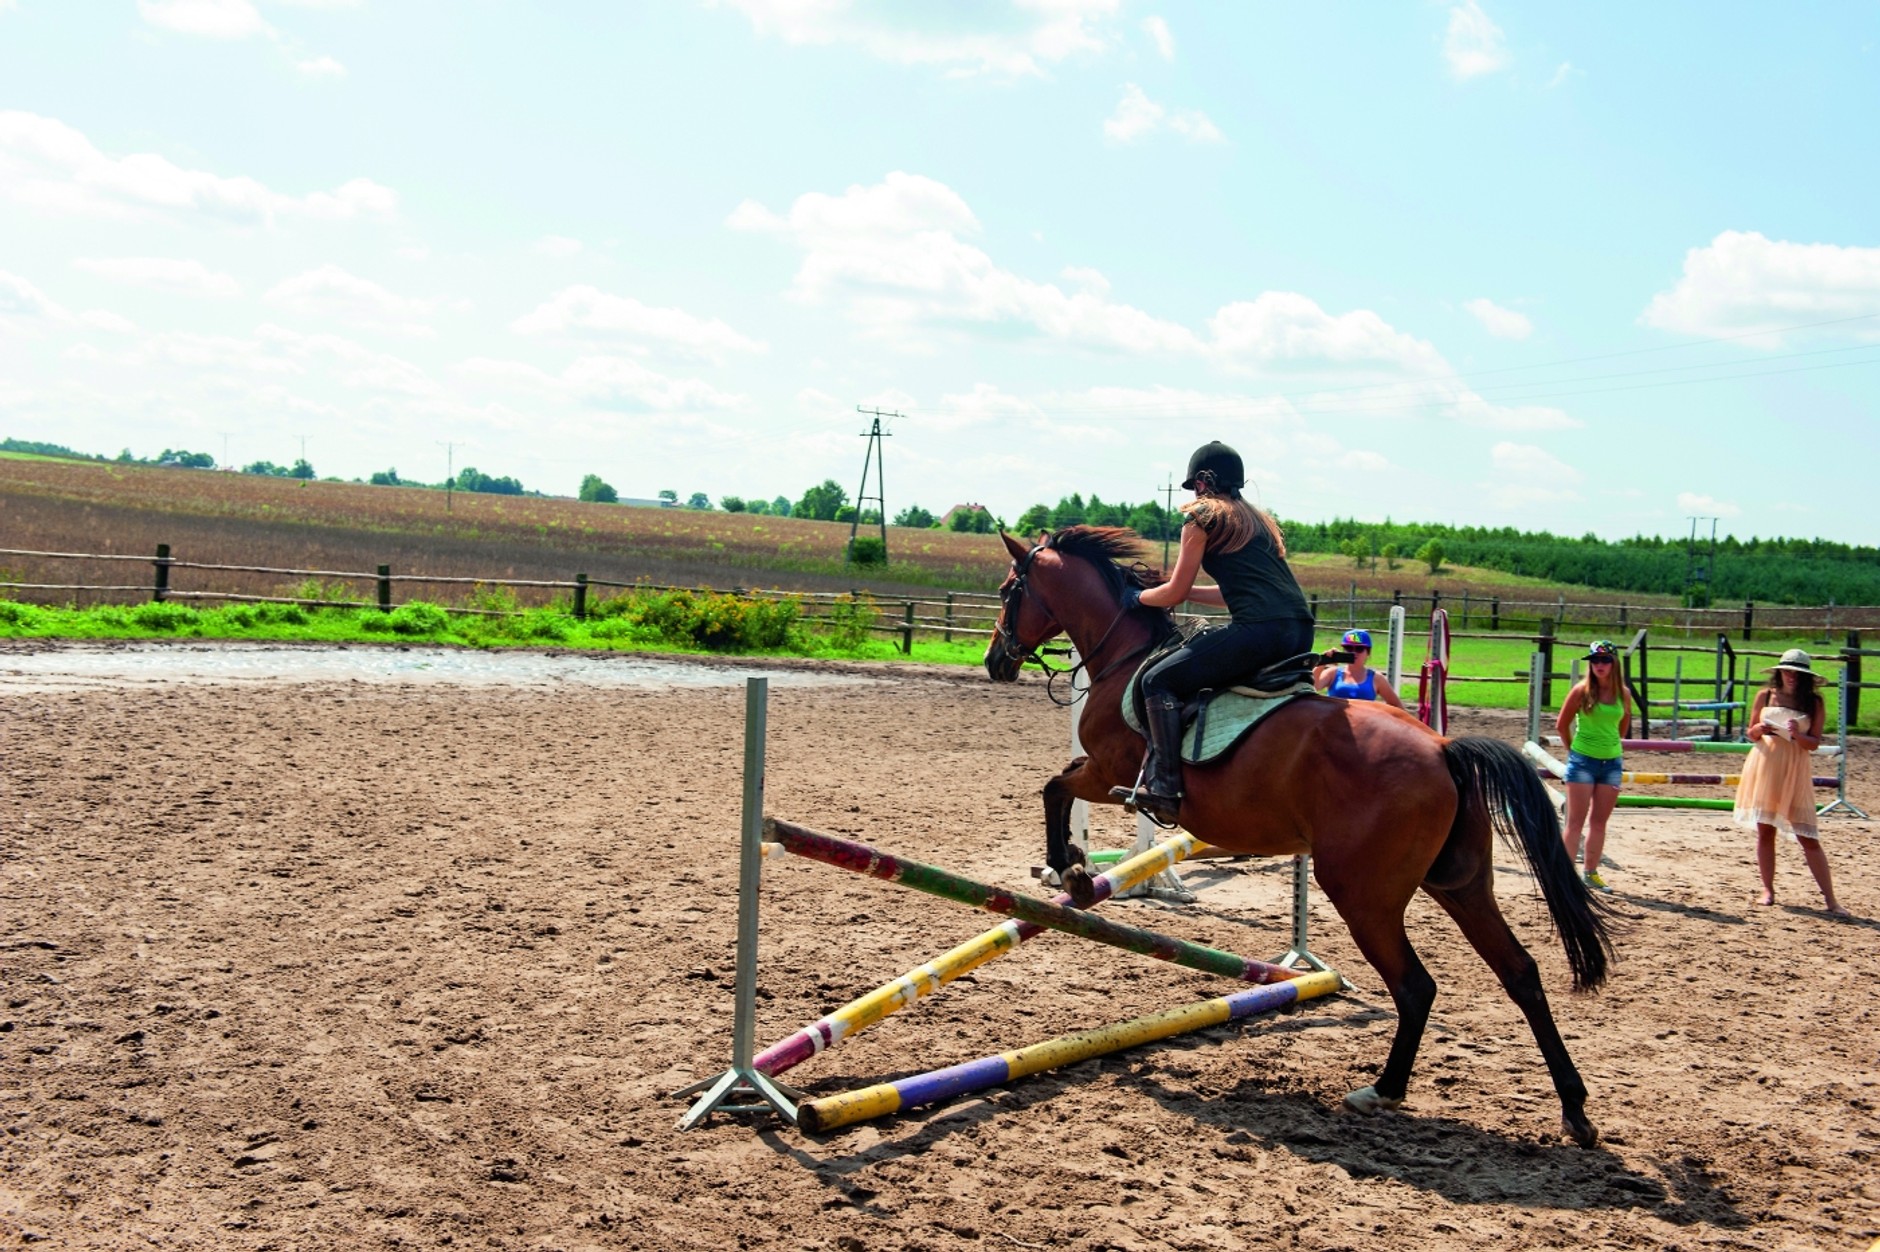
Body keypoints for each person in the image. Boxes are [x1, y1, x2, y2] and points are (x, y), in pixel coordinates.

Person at [1109, 440, 1315, 824]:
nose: (1194, 493)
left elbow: (1175, 594)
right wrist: (1170, 587)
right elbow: (1225, 593)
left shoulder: (1201, 518)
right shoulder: (1256, 521)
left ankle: (1165, 787)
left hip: (1260, 632)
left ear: (1203, 482)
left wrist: (1137, 597)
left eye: (1195, 486)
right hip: (1299, 631)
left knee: (1156, 680)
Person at [1736, 649, 1846, 916]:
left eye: (1797, 672)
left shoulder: (1814, 702)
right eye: (1787, 671)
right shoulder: (1765, 695)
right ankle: (1768, 890)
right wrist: (1759, 730)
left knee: (1808, 836)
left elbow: (1814, 743)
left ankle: (1831, 899)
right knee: (1765, 831)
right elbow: (1750, 733)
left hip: (1794, 768)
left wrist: (1797, 735)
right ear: (1779, 671)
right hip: (1764, 764)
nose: (1791, 676)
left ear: (1805, 676)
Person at [1554, 639, 1632, 893]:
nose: (1600, 665)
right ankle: (1565, 876)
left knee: (1599, 822)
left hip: (1611, 762)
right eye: (1595, 660)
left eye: (1605, 660)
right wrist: (1573, 751)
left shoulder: (1623, 693)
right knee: (1574, 822)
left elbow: (1623, 724)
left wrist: (1612, 745)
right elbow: (1562, 724)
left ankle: (1591, 872)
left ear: (1613, 663)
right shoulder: (1581, 691)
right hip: (1582, 761)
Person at [1312, 628, 1407, 710]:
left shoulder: (1376, 678)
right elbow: (1312, 687)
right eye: (1349, 648)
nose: (1354, 652)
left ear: (1368, 653)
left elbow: (1397, 706)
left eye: (1359, 649)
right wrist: (1322, 662)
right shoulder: (1333, 673)